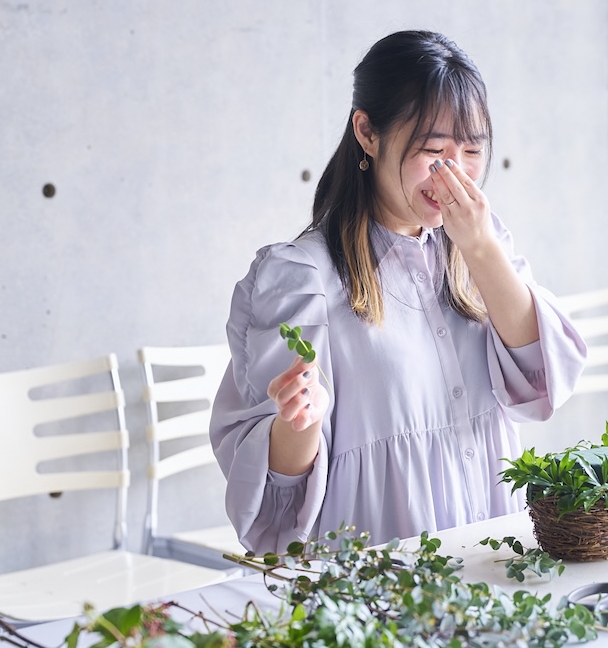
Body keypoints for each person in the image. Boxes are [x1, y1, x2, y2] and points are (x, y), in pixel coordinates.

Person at [210, 30, 586, 555]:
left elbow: (543, 380)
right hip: (380, 564)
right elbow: (276, 500)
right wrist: (302, 422)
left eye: (472, 151)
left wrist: (478, 248)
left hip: (493, 549)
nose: (454, 172)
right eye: (433, 150)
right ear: (367, 131)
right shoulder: (301, 276)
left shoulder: (480, 244)